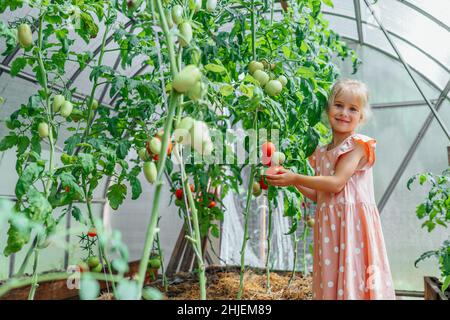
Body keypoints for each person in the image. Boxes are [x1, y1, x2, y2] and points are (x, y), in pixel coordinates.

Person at [266, 79, 396, 300]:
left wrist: (295, 176)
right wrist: (292, 181)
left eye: (352, 108)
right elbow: (319, 194)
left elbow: (336, 183)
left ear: (361, 116)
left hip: (352, 223)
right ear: (327, 109)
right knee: (331, 277)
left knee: (354, 276)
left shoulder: (357, 145)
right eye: (338, 105)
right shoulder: (321, 152)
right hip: (330, 225)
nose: (344, 113)